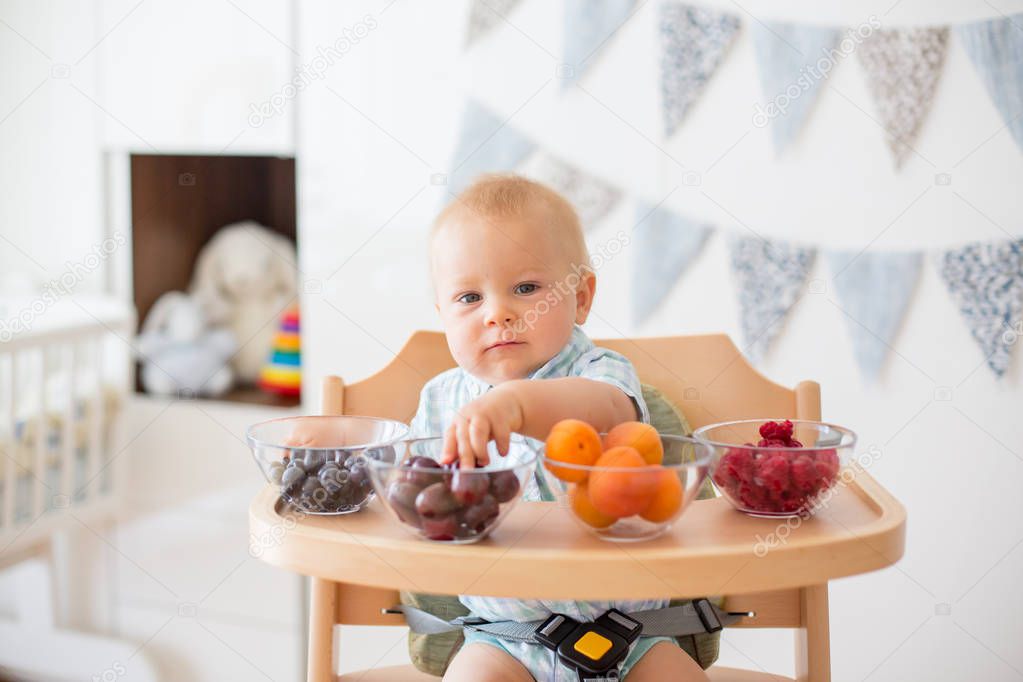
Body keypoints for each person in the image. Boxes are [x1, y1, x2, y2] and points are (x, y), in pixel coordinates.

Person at [409, 174, 710, 681]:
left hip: (635, 632)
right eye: (468, 298)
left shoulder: (601, 372)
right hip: (502, 636)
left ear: (582, 296)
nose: (498, 313)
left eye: (526, 288)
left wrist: (515, 404)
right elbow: (406, 494)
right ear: (442, 313)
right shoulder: (440, 401)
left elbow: (608, 412)